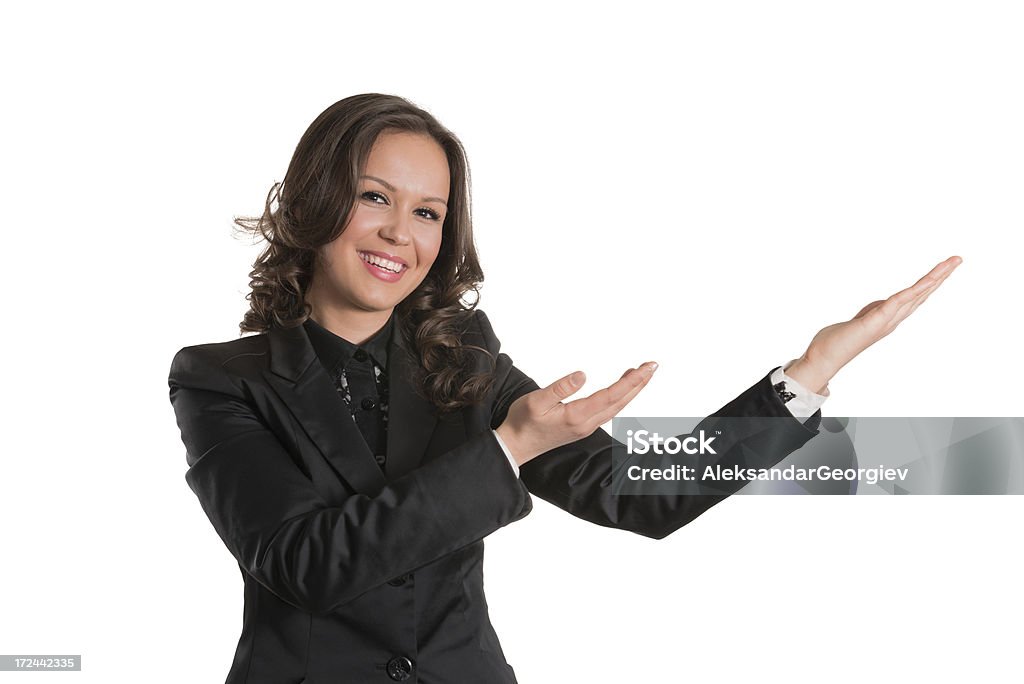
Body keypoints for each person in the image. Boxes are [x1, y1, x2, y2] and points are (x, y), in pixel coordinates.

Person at [167, 93, 961, 684]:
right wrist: (508, 449)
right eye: (375, 197)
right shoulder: (219, 381)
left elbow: (638, 495)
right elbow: (304, 563)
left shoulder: (461, 357)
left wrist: (808, 373)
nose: (399, 234)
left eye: (428, 212)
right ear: (316, 199)